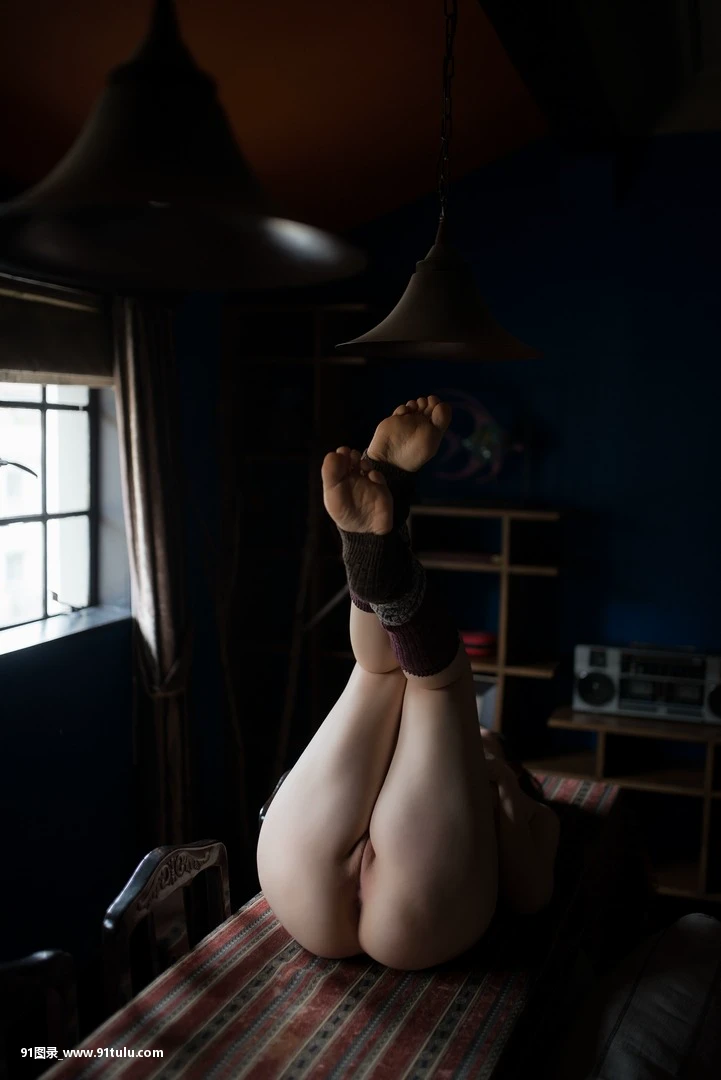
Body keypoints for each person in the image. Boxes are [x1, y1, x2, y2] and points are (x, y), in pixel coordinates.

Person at [257, 395, 560, 971]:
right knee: (404, 678)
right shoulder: (500, 783)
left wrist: (503, 790)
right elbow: (530, 891)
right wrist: (500, 791)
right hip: (394, 899)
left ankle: (379, 546)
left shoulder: (515, 792)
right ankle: (379, 547)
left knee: (407, 680)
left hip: (299, 870)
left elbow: (534, 893)